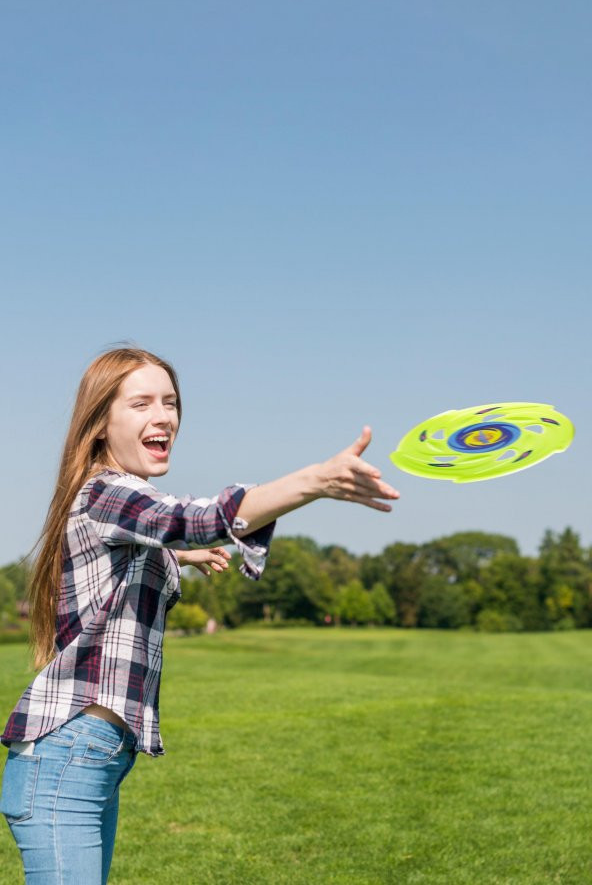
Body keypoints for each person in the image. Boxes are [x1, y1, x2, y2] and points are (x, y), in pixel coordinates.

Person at [0, 346, 399, 884]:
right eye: (140, 404)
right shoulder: (106, 493)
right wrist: (315, 482)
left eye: (170, 402)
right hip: (66, 759)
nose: (163, 416)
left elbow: (156, 534)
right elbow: (197, 517)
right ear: (99, 424)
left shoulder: (118, 503)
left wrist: (174, 553)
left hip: (88, 759)